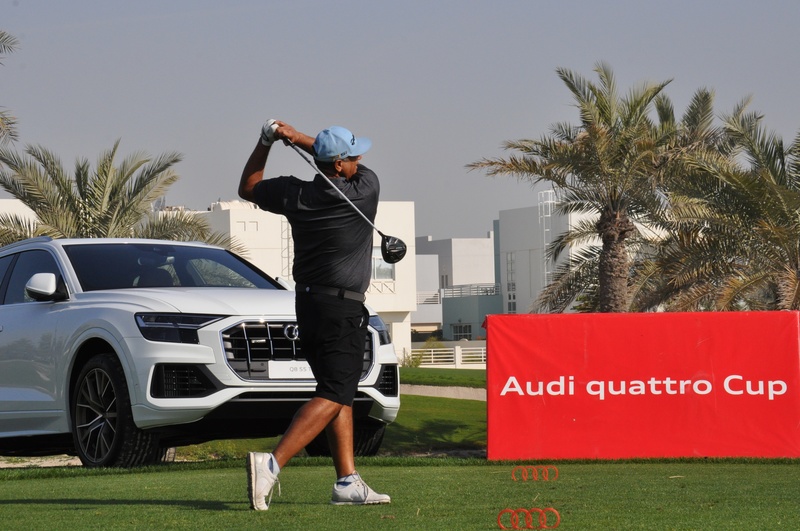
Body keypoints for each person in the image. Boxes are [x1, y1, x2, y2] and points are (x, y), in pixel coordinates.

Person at [237, 119, 391, 511]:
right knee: (334, 392)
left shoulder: (295, 193)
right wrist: (297, 136)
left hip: (307, 305)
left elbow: (248, 187)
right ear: (339, 164)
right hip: (342, 309)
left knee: (338, 391)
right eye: (353, 156)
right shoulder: (364, 190)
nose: (359, 161)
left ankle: (347, 481)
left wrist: (267, 141)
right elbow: (347, 165)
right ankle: (271, 464)